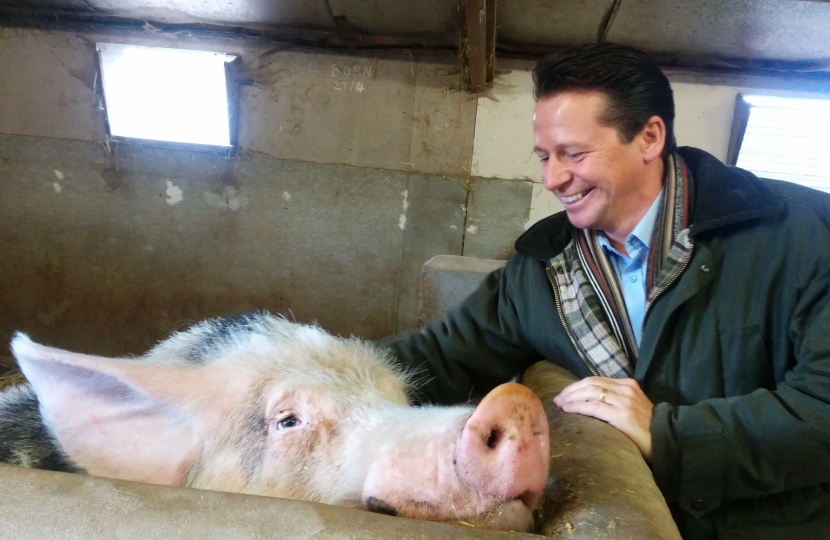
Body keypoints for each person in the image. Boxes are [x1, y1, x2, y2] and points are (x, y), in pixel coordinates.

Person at [378, 43, 830, 539]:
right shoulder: (543, 266)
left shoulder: (801, 236)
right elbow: (442, 357)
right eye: (545, 156)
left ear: (649, 137)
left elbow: (821, 408)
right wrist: (317, 375)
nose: (554, 178)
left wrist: (667, 433)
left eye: (574, 153)